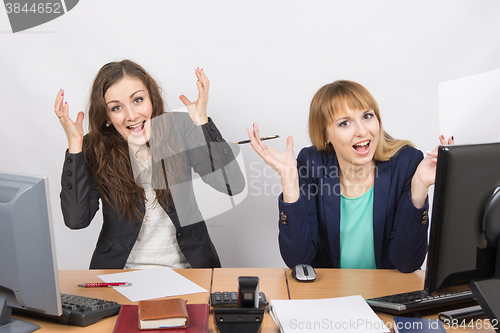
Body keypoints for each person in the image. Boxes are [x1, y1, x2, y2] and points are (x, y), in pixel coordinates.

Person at [247, 80, 453, 273]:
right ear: (325, 135)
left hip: (389, 295)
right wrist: (290, 180)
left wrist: (420, 186)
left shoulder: (406, 162)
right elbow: (298, 260)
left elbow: (407, 263)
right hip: (332, 297)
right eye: (345, 123)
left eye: (367, 116)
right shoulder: (312, 164)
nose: (362, 131)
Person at [55, 60, 244, 269]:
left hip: (189, 271)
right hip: (120, 274)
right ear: (107, 116)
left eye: (138, 100)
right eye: (116, 107)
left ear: (152, 100)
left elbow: (232, 185)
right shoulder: (94, 147)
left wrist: (202, 123)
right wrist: (75, 147)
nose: (132, 115)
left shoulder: (179, 128)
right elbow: (76, 220)